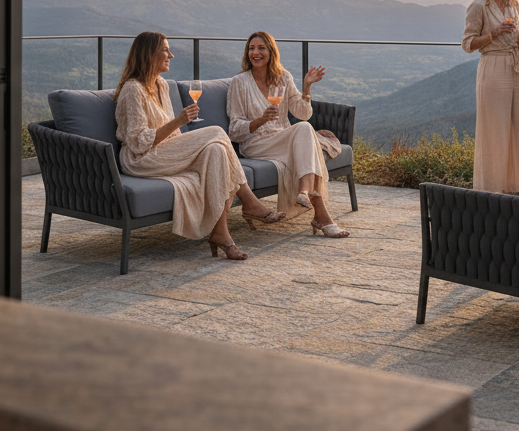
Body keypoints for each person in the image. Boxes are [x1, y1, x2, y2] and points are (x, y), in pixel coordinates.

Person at [114, 31, 286, 261]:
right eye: (165, 50)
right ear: (149, 54)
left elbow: (173, 134)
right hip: (140, 159)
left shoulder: (161, 85)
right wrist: (179, 121)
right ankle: (249, 201)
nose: (171, 55)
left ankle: (220, 233)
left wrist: (183, 138)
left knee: (216, 150)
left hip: (164, 151)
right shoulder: (133, 89)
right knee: (216, 132)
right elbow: (137, 142)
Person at [227, 31, 350, 238]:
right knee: (306, 139)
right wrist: (261, 120)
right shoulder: (239, 82)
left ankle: (306, 195)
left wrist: (306, 87)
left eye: (261, 48)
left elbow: (303, 114)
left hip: (283, 138)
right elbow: (234, 130)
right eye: (251, 48)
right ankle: (320, 214)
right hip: (256, 143)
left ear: (271, 52)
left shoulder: (283, 77)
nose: (255, 53)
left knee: (304, 128)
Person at [462, 0, 519, 193]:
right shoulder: (479, 6)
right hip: (493, 68)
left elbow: (518, 34)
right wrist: (493, 34)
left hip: (517, 67)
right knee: (496, 130)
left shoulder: (514, 3)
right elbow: (468, 44)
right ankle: (491, 189)